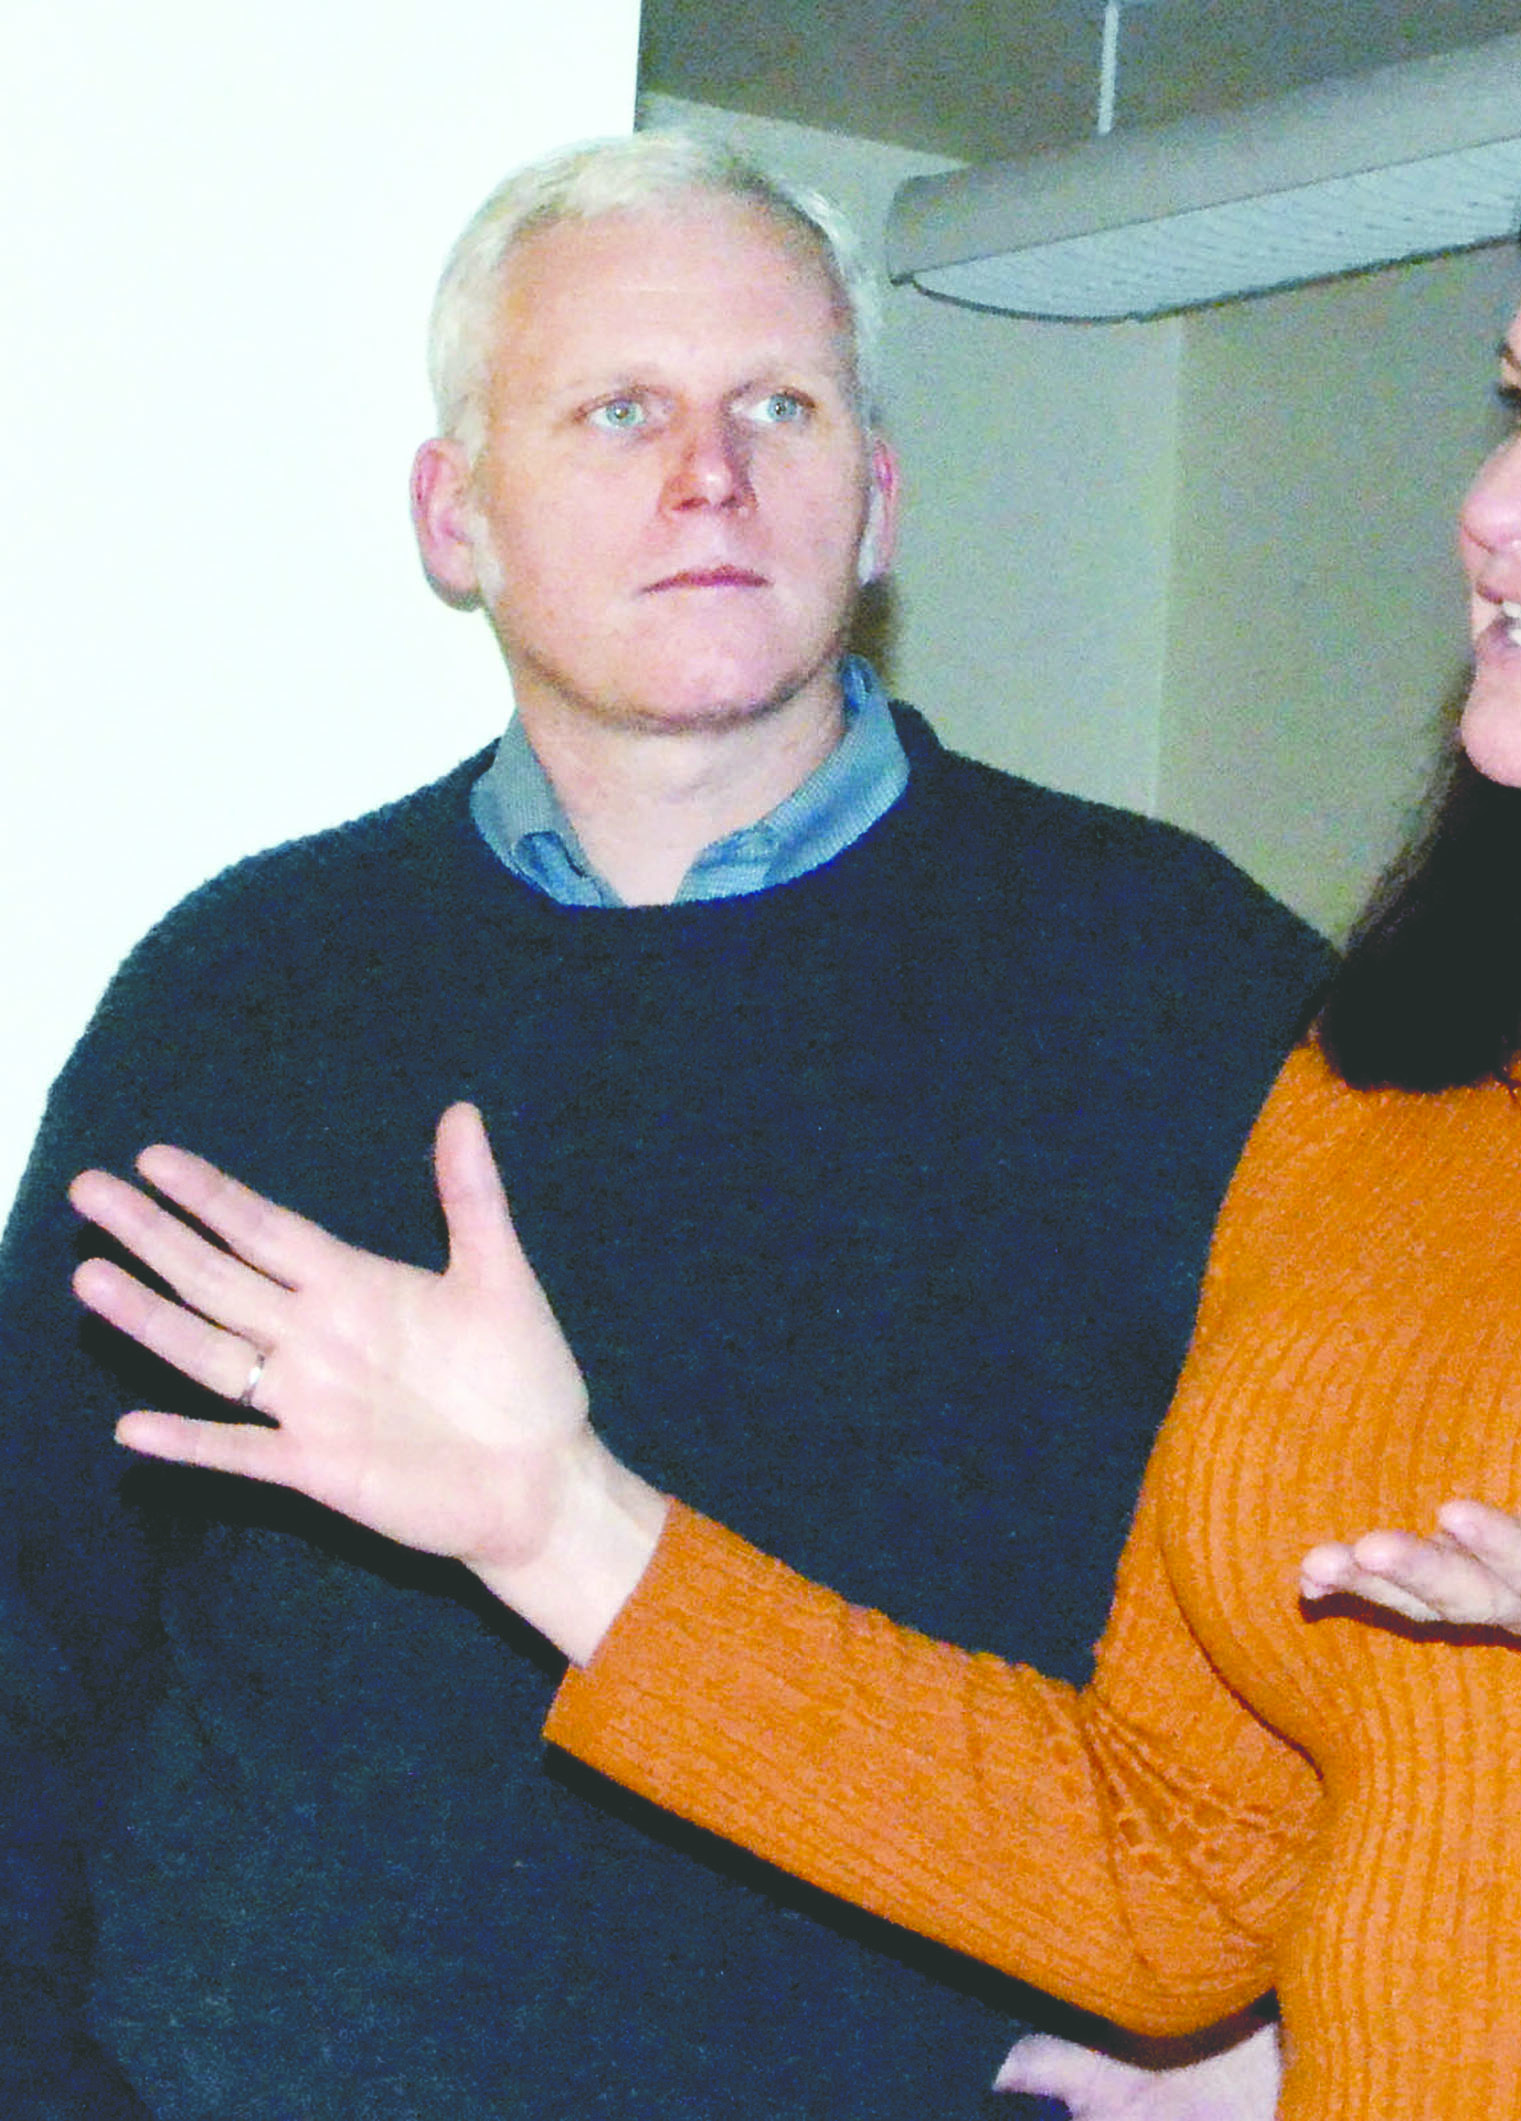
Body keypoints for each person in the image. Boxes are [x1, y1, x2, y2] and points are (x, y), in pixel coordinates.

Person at [69, 38, 1521, 2117]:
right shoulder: (1405, 1073)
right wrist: (550, 1518)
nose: (1499, 505)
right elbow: (1167, 1869)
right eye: (1520, 408)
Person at [0, 132, 1325, 2119]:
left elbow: (1365, 1642)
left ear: (878, 502)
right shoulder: (245, 993)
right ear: (458, 518)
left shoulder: (1181, 983)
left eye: (777, 407)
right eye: (617, 411)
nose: (709, 477)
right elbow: (31, 1637)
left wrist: (1295, 2029)